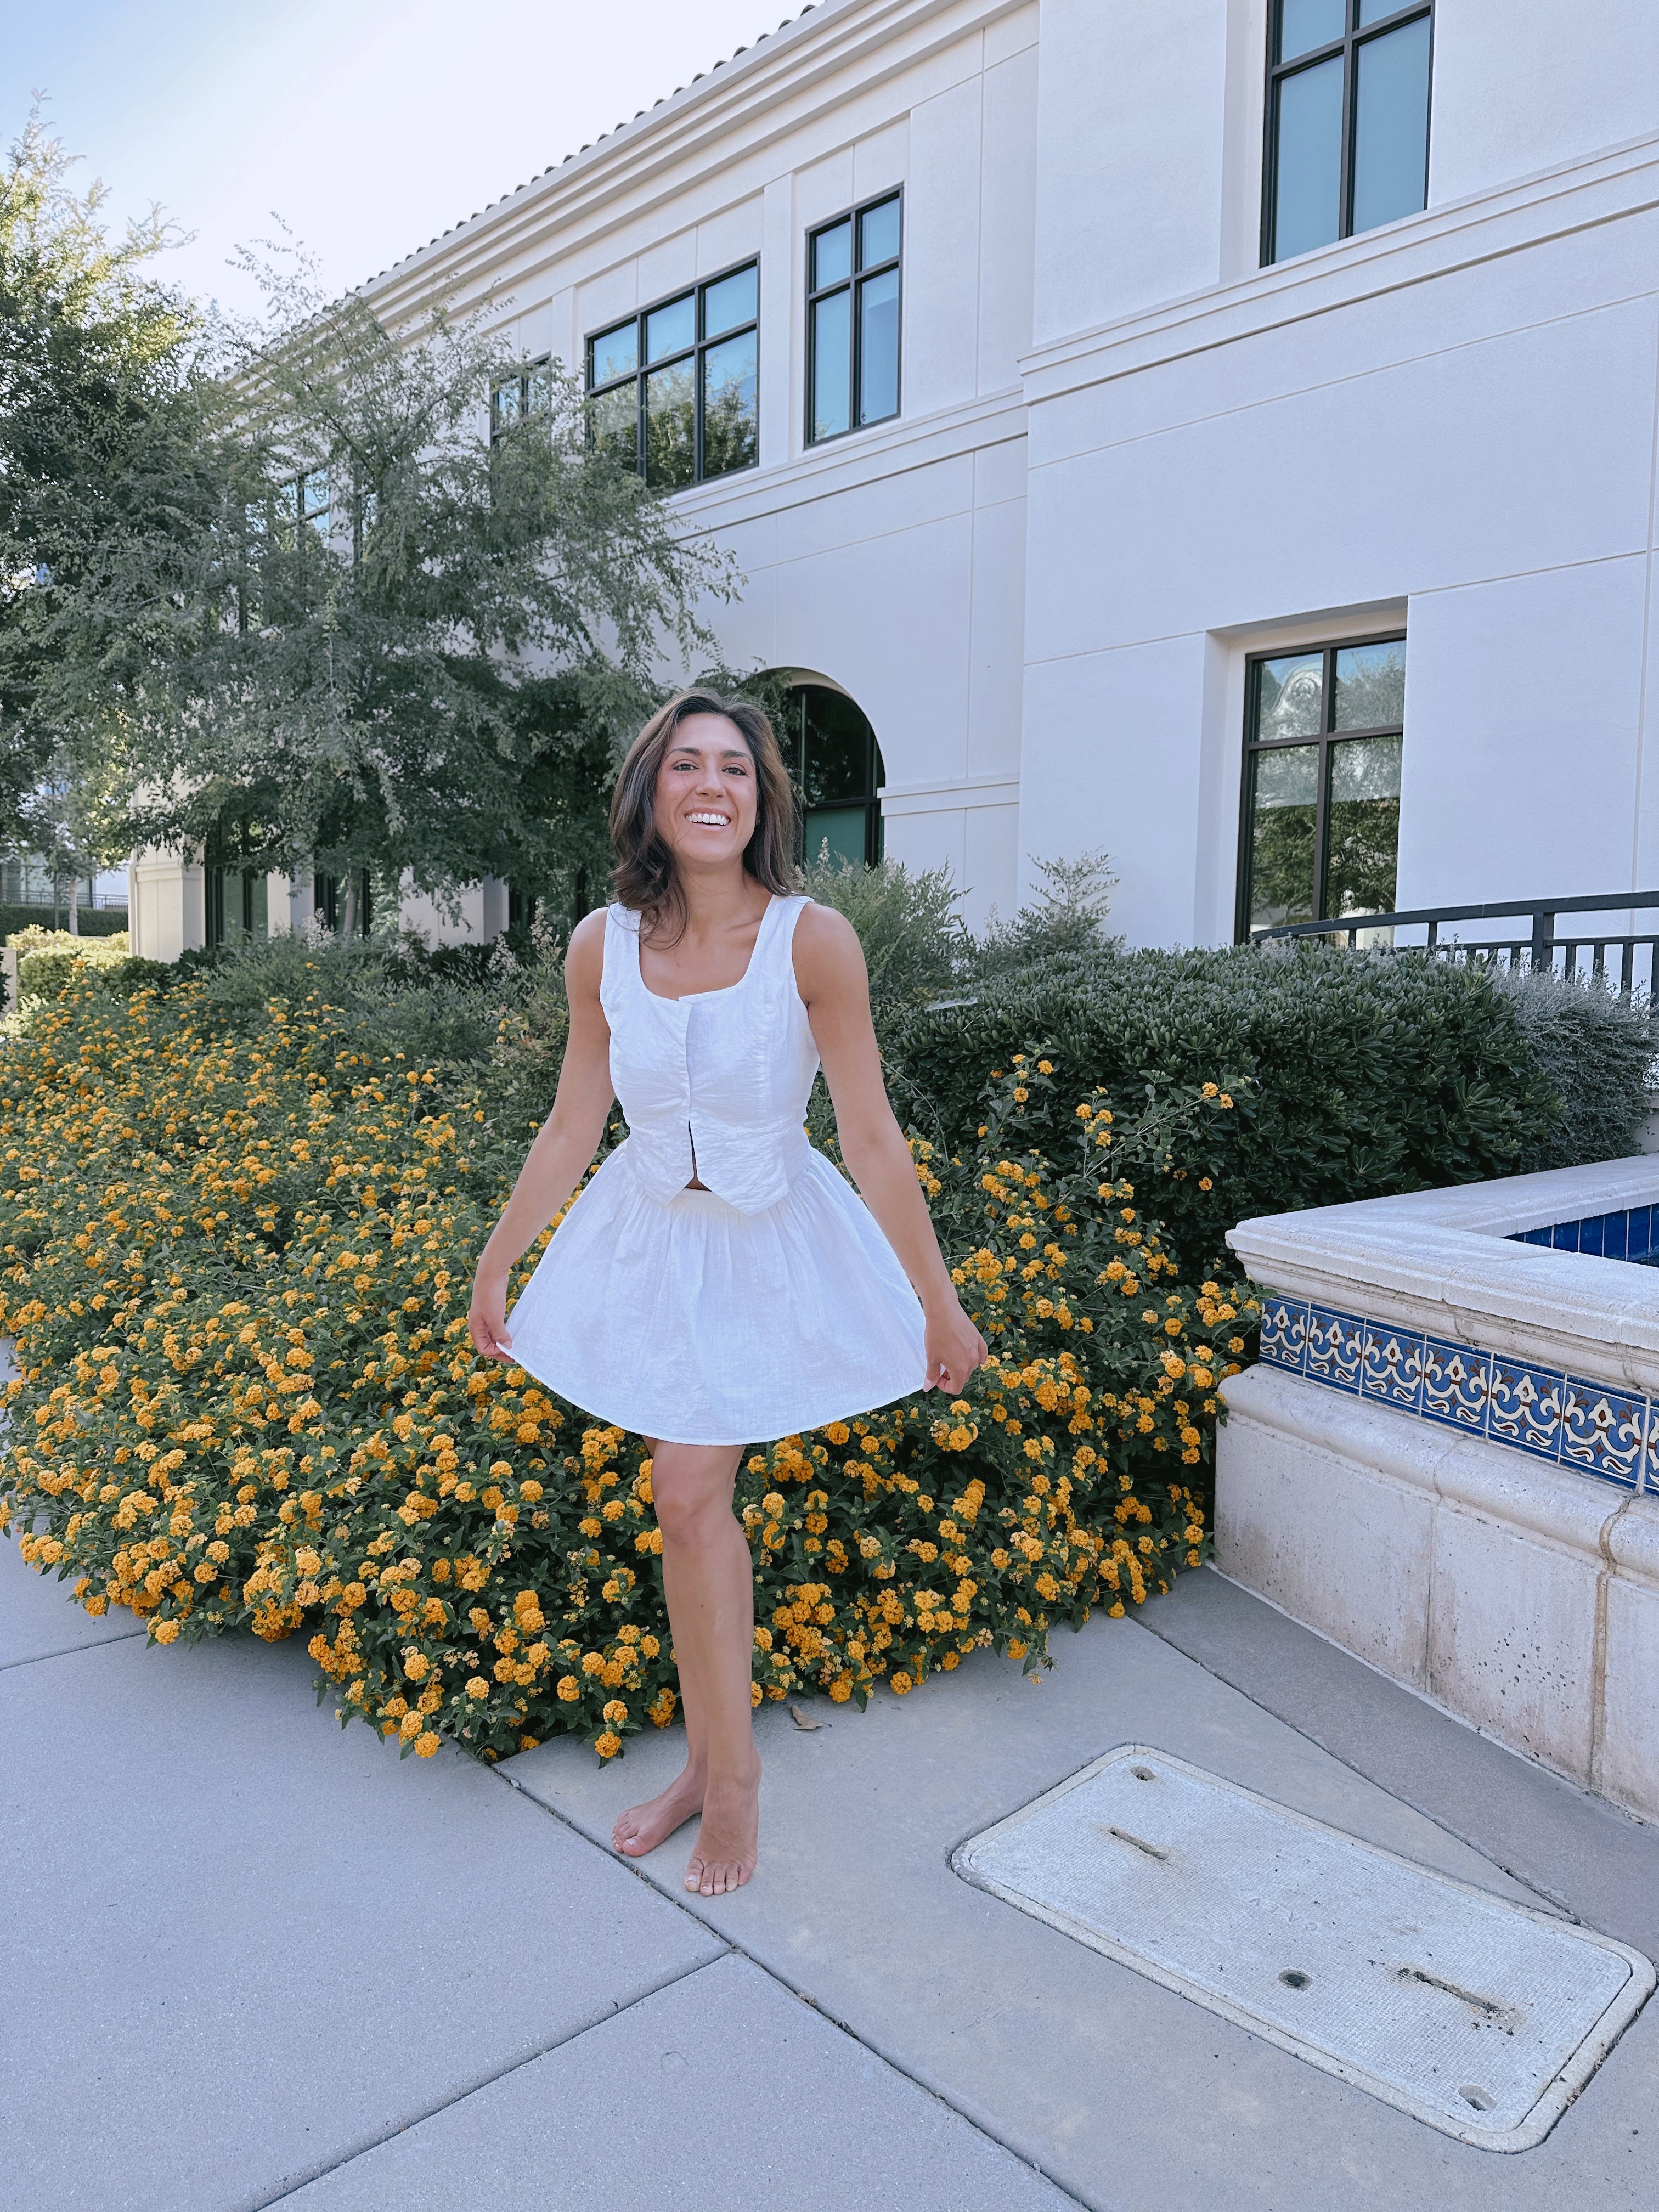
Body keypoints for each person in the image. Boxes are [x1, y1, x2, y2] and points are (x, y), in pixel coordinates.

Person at [466, 687, 986, 1897]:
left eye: (737, 771)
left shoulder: (813, 943)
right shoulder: (603, 945)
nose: (713, 786)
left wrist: (938, 1302)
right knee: (687, 1508)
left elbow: (873, 1141)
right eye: (688, 765)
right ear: (652, 790)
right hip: (650, 1246)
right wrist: (500, 1260)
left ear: (763, 800)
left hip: (770, 1248)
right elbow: (572, 1120)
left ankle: (731, 1776)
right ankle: (713, 1760)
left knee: (688, 1496)